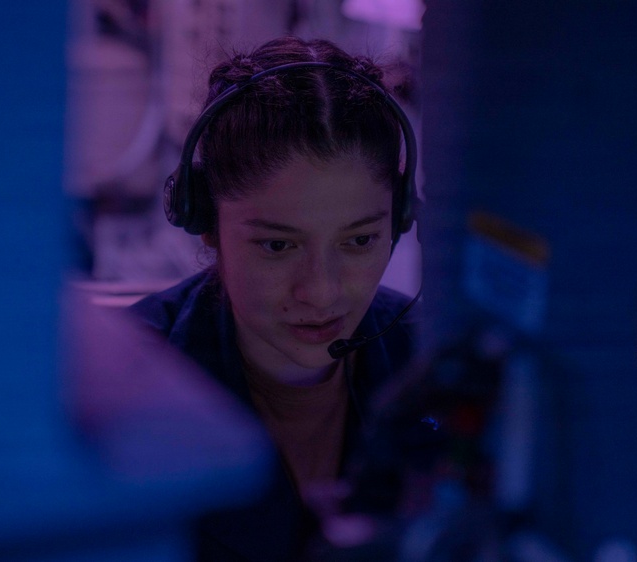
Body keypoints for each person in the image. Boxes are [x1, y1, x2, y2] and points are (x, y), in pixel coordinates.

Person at [128, 36, 420, 561]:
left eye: (359, 241)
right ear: (206, 223)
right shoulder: (130, 384)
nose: (323, 291)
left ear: (398, 221)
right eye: (279, 245)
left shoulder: (431, 365)